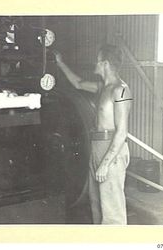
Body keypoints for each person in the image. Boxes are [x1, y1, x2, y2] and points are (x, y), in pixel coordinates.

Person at [54, 44, 132, 224]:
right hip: (97, 147)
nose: (94, 64)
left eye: (97, 60)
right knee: (97, 204)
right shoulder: (101, 87)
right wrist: (60, 63)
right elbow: (77, 83)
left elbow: (122, 132)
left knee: (112, 210)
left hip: (112, 151)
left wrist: (105, 163)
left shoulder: (120, 90)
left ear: (105, 63)